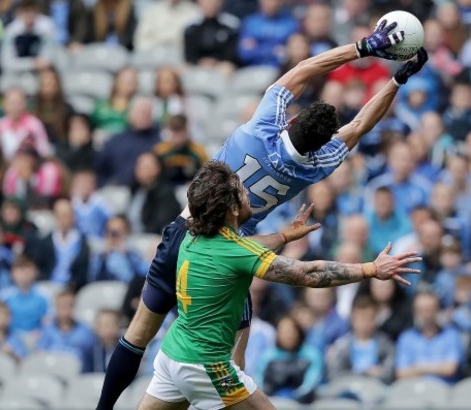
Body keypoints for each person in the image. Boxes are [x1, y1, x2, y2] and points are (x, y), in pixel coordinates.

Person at [98, 28, 427, 409]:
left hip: (183, 237)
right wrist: (397, 80)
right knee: (234, 353)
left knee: (138, 336)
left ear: (290, 122)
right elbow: (359, 127)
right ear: (321, 144)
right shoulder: (315, 167)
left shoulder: (259, 129)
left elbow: (305, 68)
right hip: (233, 251)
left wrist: (361, 48)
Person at [136, 161, 420, 410]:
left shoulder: (196, 235)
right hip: (206, 365)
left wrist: (284, 236)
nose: (249, 194)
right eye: (243, 191)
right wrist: (370, 268)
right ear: (232, 207)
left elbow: (244, 248)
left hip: (172, 355)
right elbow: (307, 273)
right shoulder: (235, 250)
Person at [395, 291, 462, 383]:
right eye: (421, 310)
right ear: (414, 312)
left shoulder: (451, 335)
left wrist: (419, 368)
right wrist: (438, 367)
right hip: (414, 392)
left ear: (438, 310)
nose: (426, 315)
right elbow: (401, 373)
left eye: (429, 309)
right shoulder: (406, 338)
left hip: (445, 392)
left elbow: (450, 369)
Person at [328, 295, 396, 384]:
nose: (365, 323)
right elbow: (335, 375)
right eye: (361, 318)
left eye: (369, 318)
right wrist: (365, 373)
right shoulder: (342, 346)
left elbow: (389, 373)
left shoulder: (386, 344)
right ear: (353, 320)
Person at [255, 316, 323, 404]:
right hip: (272, 402)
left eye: (291, 331)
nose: (288, 335)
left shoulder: (312, 355)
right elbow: (259, 381)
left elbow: (310, 384)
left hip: (301, 404)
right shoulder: (267, 356)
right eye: (283, 332)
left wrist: (294, 398)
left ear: (298, 332)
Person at [96, 97, 161, 186]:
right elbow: (100, 169)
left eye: (147, 113)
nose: (144, 116)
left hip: (151, 190)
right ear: (130, 114)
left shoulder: (161, 140)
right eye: (140, 112)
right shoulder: (115, 141)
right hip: (118, 190)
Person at [37, 290, 96, 369]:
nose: (66, 311)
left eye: (70, 306)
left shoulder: (85, 332)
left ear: (75, 307)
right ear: (56, 308)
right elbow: (41, 356)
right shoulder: (47, 330)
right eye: (62, 306)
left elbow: (92, 358)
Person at [127, 152, 181, 234]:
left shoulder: (165, 192)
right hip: (131, 236)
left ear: (157, 169)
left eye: (145, 167)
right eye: (138, 167)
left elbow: (161, 224)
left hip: (152, 238)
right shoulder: (135, 189)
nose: (140, 170)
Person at [0, 0, 55, 72]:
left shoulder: (46, 27)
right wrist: (32, 63)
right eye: (26, 11)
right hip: (15, 73)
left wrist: (39, 64)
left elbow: (47, 60)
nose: (30, 15)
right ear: (19, 13)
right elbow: (6, 63)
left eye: (33, 11)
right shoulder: (10, 32)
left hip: (39, 72)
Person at [237, 0, 298, 67]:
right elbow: (245, 54)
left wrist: (257, 47)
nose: (273, 3)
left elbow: (289, 55)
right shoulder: (250, 22)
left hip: (279, 69)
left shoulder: (290, 23)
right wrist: (274, 51)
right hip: (251, 68)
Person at [183, 0, 239, 71]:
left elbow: (232, 53)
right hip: (197, 65)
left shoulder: (231, 25)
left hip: (222, 65)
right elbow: (189, 54)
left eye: (214, 1)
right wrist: (201, 62)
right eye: (207, 1)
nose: (210, 4)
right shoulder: (191, 26)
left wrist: (215, 62)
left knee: (227, 68)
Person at [0, 88, 51, 160]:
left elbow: (45, 151)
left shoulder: (35, 124)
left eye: (18, 103)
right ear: (4, 105)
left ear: (24, 104)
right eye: (11, 103)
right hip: (4, 167)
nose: (14, 107)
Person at [0, 255, 48, 333]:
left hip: (37, 338)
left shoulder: (44, 294)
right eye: (20, 269)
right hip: (10, 338)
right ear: (12, 272)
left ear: (36, 272)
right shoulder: (4, 295)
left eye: (28, 269)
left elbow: (49, 321)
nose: (24, 274)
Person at [154, 114, 209, 186]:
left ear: (187, 130)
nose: (178, 137)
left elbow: (207, 173)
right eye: (175, 131)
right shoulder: (160, 151)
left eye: (181, 131)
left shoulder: (199, 151)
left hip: (191, 189)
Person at [90, 215, 146, 283]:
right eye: (108, 232)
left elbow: (145, 274)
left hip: (129, 289)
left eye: (116, 233)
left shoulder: (133, 250)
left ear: (126, 233)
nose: (112, 237)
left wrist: (128, 254)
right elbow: (92, 278)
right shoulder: (100, 254)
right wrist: (102, 258)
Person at [133, 0, 198, 51]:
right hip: (154, 56)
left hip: (182, 57)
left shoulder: (193, 12)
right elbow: (140, 40)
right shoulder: (152, 12)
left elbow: (195, 42)